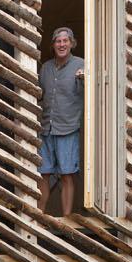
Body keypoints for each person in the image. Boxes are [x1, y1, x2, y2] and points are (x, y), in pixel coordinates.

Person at [38, 26, 85, 217]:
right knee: (44, 174)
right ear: (53, 45)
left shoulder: (81, 65)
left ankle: (66, 218)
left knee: (67, 174)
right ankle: (39, 214)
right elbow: (39, 94)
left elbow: (90, 93)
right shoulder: (46, 68)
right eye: (58, 41)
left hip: (68, 127)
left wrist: (85, 78)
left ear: (72, 43)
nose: (62, 44)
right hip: (47, 128)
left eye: (65, 41)